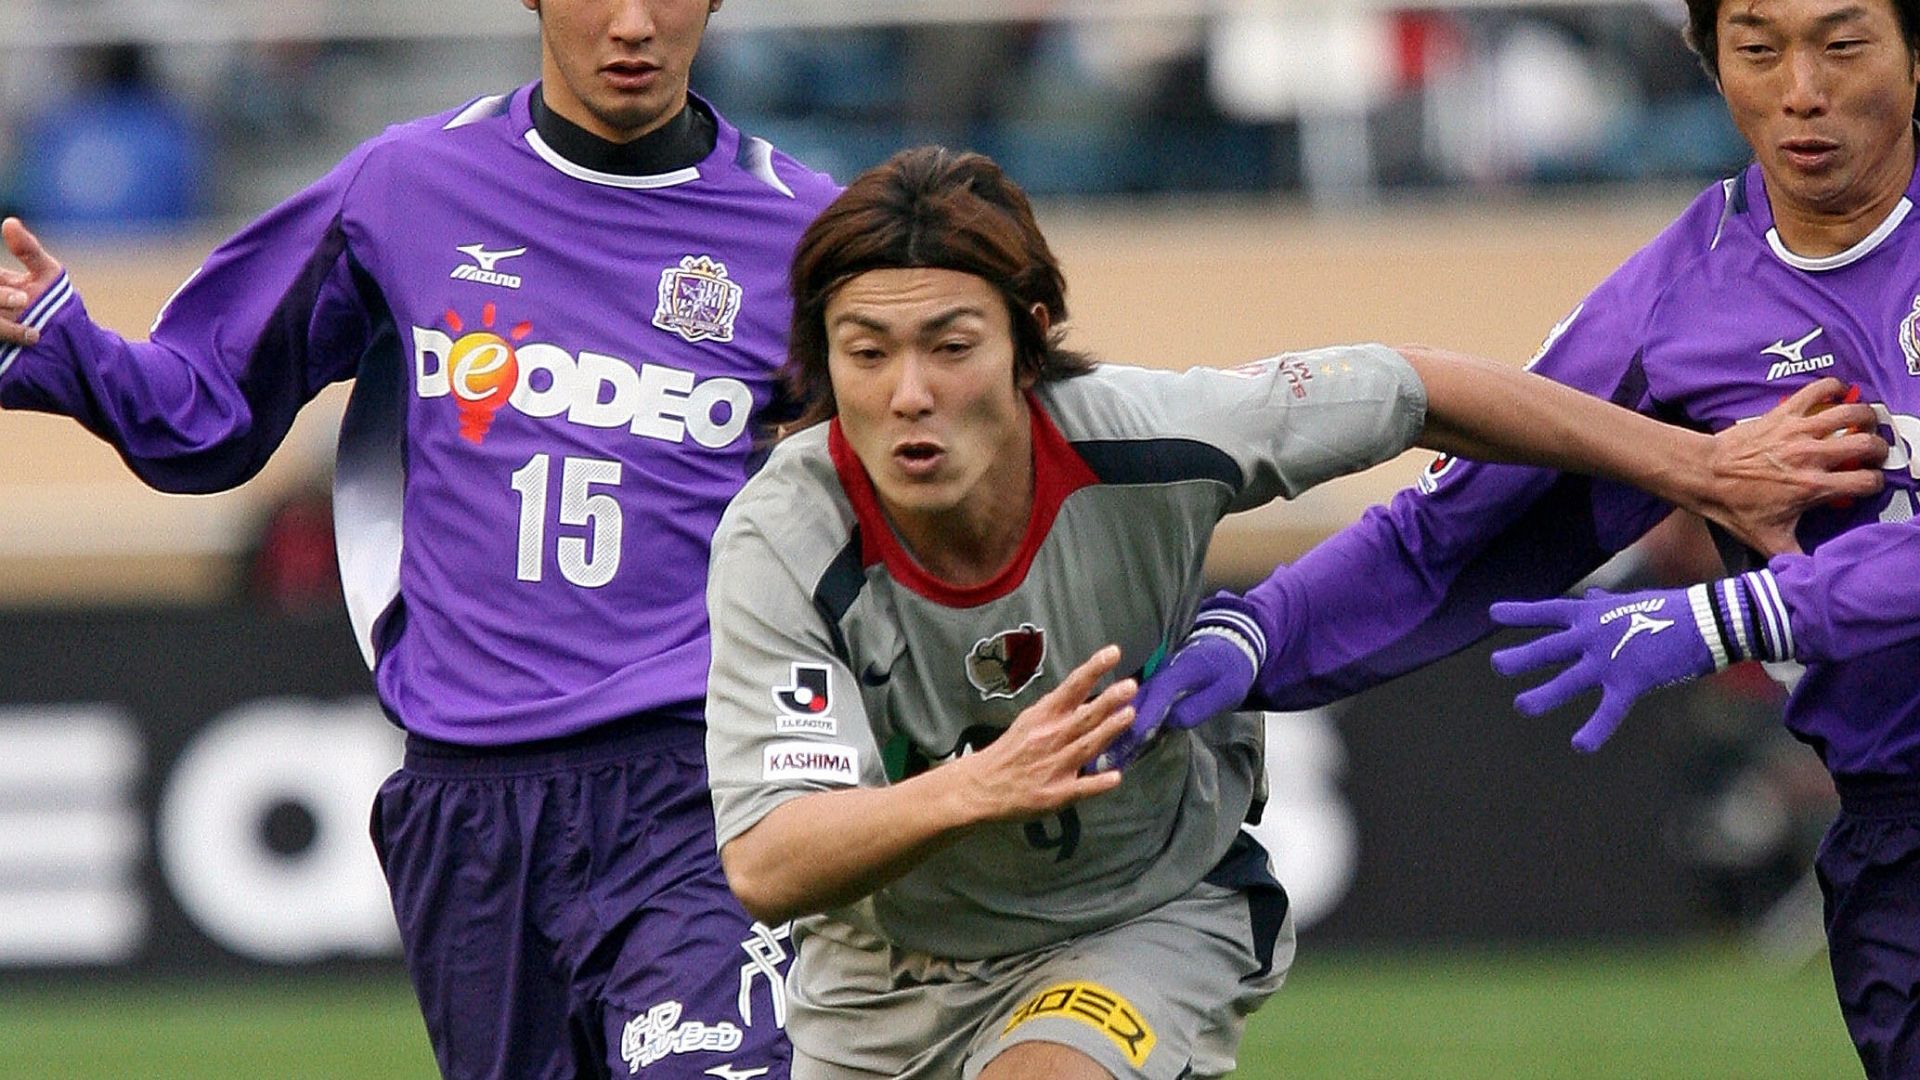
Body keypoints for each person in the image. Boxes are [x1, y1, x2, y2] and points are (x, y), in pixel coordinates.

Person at [697, 145, 1879, 1080]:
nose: (909, 392)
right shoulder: (783, 536)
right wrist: (978, 786)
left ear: (1030, 344)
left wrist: (1697, 467)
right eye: (866, 352)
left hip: (1140, 916)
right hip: (881, 977)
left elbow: (1419, 387)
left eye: (951, 345)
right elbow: (768, 859)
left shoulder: (1156, 435)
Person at [0, 2, 838, 1077]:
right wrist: (62, 345)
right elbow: (207, 412)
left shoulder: (809, 234)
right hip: (471, 807)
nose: (633, 23)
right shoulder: (406, 186)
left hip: (699, 781)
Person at [1119, 0, 1920, 1074]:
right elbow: (1451, 537)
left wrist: (1734, 615)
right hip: (1897, 842)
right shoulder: (1673, 306)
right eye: (1759, 50)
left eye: (1843, 44)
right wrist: (1258, 633)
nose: (1802, 90)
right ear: (1712, 62)